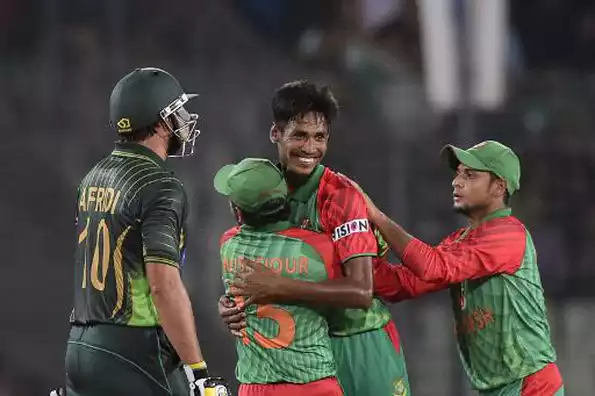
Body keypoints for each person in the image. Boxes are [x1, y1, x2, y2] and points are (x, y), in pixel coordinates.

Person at [218, 80, 410, 396]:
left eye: (320, 137)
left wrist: (277, 286)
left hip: (357, 341)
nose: (310, 148)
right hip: (304, 356)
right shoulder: (259, 189)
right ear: (275, 134)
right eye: (300, 136)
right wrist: (230, 305)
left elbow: (362, 291)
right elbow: (253, 268)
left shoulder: (341, 198)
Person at [59, 67, 230, 396]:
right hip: (133, 349)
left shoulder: (93, 176)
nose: (184, 120)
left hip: (79, 346)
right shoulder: (160, 185)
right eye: (178, 111)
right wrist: (198, 371)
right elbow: (163, 286)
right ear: (163, 121)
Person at [364, 140, 564, 396]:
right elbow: (405, 283)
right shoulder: (461, 240)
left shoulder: (508, 233)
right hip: (495, 389)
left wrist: (377, 218)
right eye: (457, 174)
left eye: (470, 175)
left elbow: (432, 267)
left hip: (531, 387)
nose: (456, 182)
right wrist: (349, 259)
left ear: (499, 186)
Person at [214, 157, 344, 396]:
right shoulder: (321, 248)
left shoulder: (229, 245)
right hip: (315, 385)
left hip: (256, 387)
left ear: (239, 213)